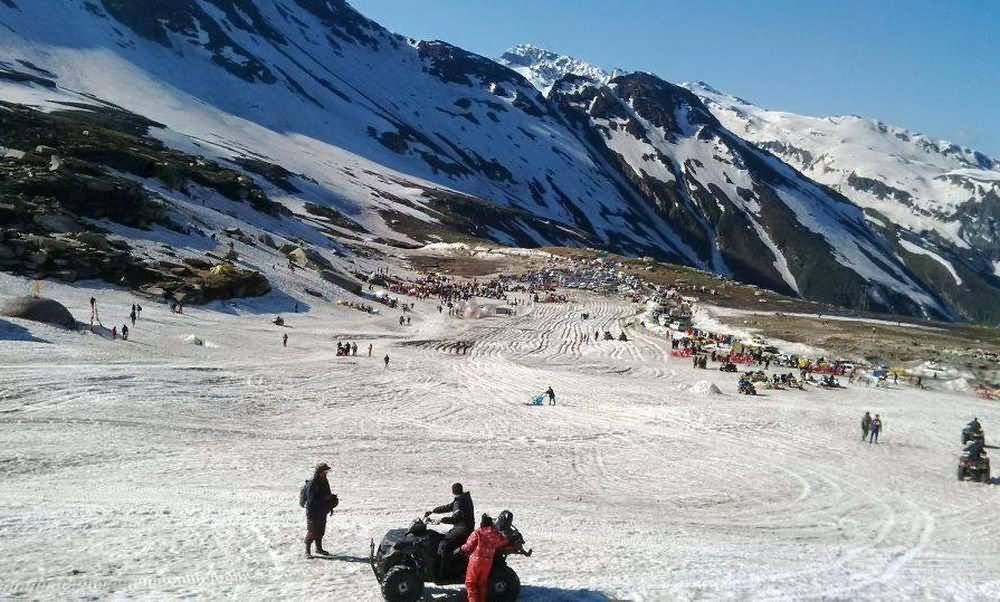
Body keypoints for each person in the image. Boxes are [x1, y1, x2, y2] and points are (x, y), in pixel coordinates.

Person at [456, 514, 510, 602]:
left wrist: (460, 549)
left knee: (471, 584)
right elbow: (503, 542)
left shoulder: (478, 532)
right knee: (482, 584)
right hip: (488, 562)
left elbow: (469, 546)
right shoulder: (495, 534)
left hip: (475, 561)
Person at [426, 483, 475, 572]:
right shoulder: (463, 498)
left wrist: (441, 520)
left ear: (453, 492)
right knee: (441, 539)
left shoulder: (460, 503)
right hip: (462, 528)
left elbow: (455, 519)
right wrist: (434, 510)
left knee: (444, 545)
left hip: (463, 530)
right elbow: (449, 507)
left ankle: (444, 572)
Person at [304, 463, 336, 558]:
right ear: (319, 472)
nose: (326, 473)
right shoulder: (312, 483)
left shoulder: (325, 481)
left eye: (326, 471)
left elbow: (328, 493)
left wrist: (330, 503)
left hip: (322, 510)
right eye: (324, 471)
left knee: (321, 531)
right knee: (312, 531)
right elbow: (311, 500)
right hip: (313, 512)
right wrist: (324, 498)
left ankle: (319, 548)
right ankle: (307, 551)